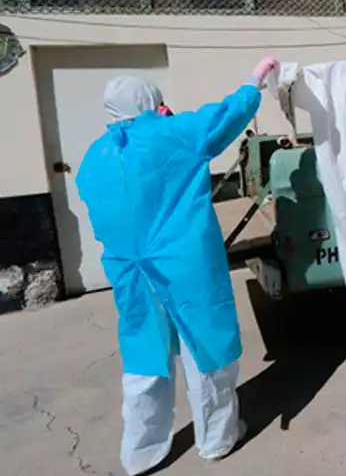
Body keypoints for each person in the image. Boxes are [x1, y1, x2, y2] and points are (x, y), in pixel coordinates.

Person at [76, 57, 278, 476]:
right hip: (184, 268)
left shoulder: (94, 158)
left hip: (131, 274)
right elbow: (224, 116)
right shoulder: (171, 134)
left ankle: (142, 453)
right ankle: (217, 439)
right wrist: (254, 81)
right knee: (205, 354)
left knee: (144, 361)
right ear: (150, 101)